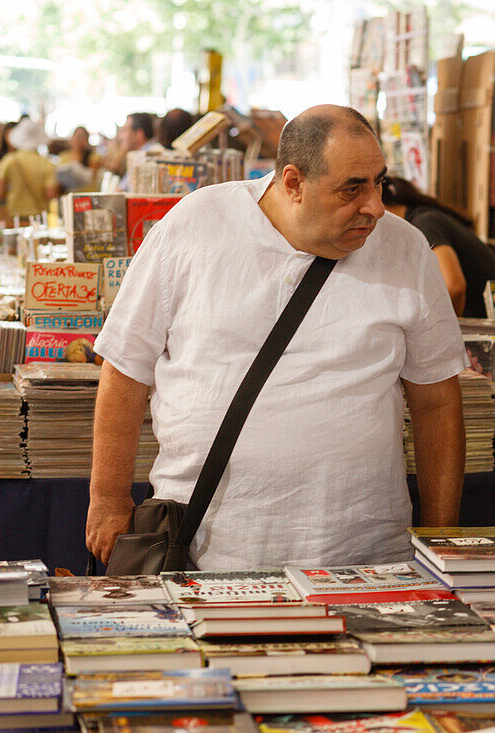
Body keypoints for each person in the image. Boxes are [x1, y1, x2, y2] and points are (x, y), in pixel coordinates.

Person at [86, 104, 467, 571]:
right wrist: (107, 499)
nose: (375, 206)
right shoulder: (196, 225)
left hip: (362, 554)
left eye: (379, 182)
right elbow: (125, 366)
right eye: (352, 188)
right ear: (293, 183)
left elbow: (437, 402)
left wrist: (442, 539)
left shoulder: (406, 249)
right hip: (208, 547)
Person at [381, 175, 495, 319]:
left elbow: (453, 288)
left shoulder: (425, 223)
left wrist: (446, 334)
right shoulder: (421, 218)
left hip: (483, 324)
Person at [0, 118, 59, 221]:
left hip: (15, 216)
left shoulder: (9, 160)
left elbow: (1, 193)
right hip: (40, 217)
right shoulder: (47, 163)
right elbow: (50, 194)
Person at [108, 112, 156, 191]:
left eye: (124, 131)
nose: (120, 137)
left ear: (139, 135)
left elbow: (118, 191)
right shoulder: (138, 155)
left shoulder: (147, 157)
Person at [56, 126, 101, 194]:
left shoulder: (93, 156)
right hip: (70, 194)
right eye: (77, 137)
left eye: (82, 137)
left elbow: (93, 176)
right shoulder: (64, 156)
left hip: (87, 194)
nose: (79, 140)